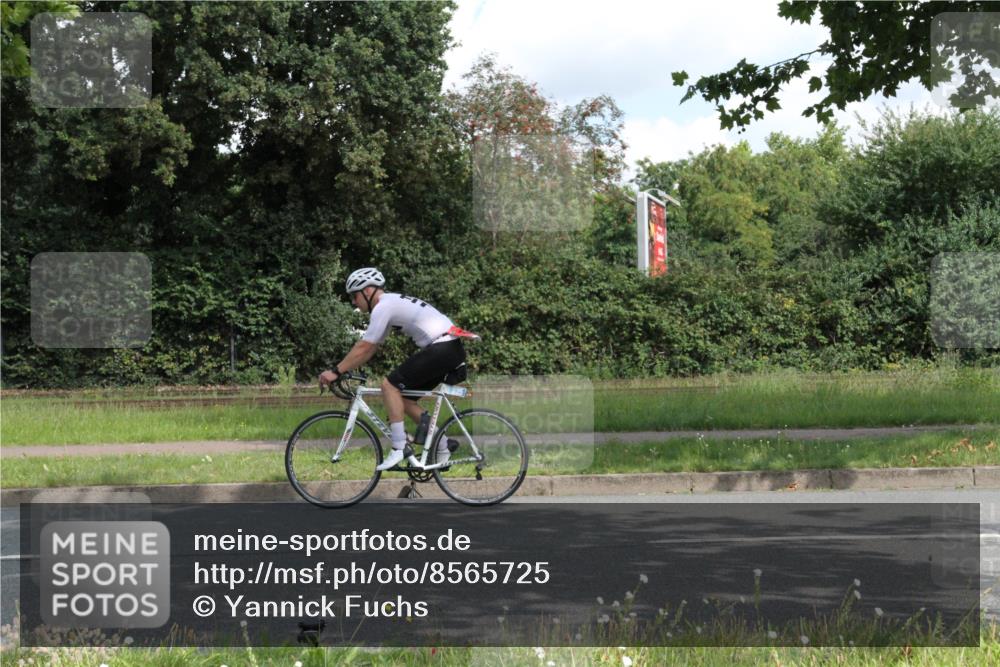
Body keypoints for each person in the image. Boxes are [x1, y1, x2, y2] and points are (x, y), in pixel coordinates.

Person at [318, 267, 473, 471]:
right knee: (403, 398)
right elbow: (369, 348)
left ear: (367, 291)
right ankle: (443, 445)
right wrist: (345, 368)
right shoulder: (390, 303)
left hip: (442, 347)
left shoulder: (384, 306)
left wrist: (335, 371)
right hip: (448, 347)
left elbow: (365, 346)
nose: (353, 302)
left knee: (389, 386)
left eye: (354, 296)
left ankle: (399, 447)